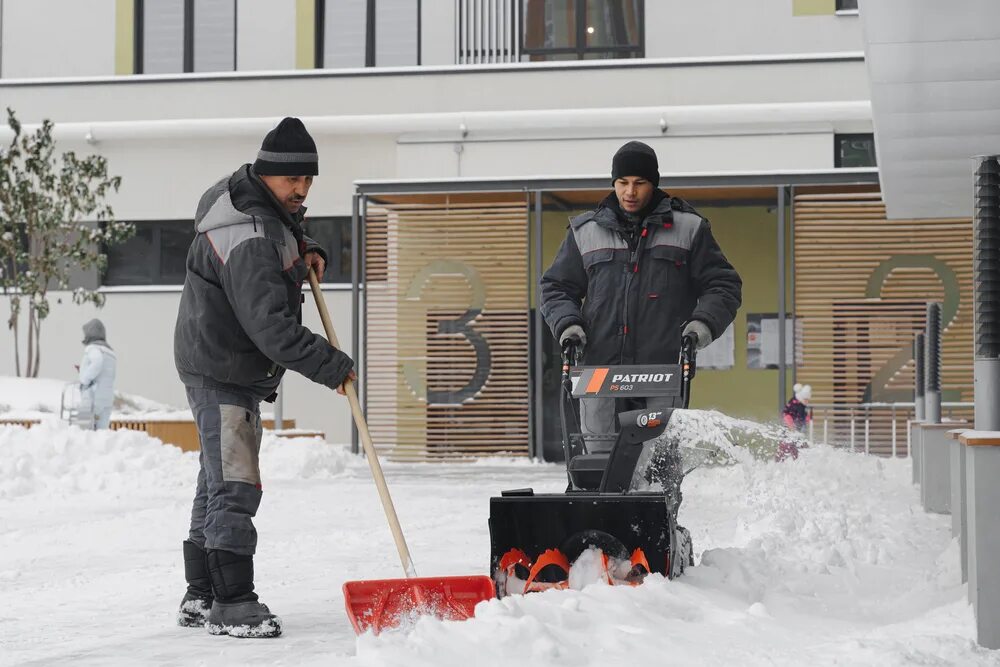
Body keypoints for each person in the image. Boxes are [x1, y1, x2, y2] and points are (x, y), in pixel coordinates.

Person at [173, 117, 355, 638]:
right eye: (292, 181)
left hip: (218, 360)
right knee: (234, 481)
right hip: (225, 365)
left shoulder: (252, 205)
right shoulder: (249, 234)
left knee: (216, 478)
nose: (301, 190)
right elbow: (270, 328)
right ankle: (232, 603)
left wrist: (304, 250)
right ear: (266, 173)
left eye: (308, 181)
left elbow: (281, 232)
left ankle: (201, 593)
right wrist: (332, 366)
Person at [540, 140, 742, 521]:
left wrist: (700, 326)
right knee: (596, 462)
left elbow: (723, 285)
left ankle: (659, 534)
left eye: (639, 183)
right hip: (598, 369)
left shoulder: (689, 229)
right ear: (613, 184)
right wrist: (568, 325)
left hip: (660, 370)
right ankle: (597, 539)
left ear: (654, 184)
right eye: (622, 182)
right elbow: (556, 287)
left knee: (658, 465)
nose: (630, 192)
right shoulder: (585, 231)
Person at [77, 318, 117, 430]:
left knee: (83, 431)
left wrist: (85, 380)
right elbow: (108, 374)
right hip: (107, 398)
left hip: (91, 396)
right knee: (101, 434)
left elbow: (97, 362)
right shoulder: (110, 353)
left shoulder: (93, 348)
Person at [778, 383, 812, 461]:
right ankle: (780, 462)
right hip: (790, 432)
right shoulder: (794, 405)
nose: (807, 401)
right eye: (805, 399)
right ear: (801, 398)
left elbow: (803, 416)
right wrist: (791, 426)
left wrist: (807, 418)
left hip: (798, 433)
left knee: (800, 449)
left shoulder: (802, 406)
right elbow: (787, 415)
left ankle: (798, 462)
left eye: (808, 400)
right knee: (786, 448)